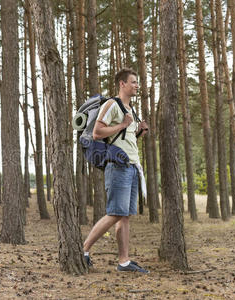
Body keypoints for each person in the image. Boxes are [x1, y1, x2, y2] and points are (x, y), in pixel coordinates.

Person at [83, 68, 149, 273]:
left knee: (125, 215)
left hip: (131, 166)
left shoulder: (131, 110)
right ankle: (83, 250)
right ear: (122, 84)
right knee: (114, 213)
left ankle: (124, 261)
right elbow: (97, 133)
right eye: (133, 82)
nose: (137, 85)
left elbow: (124, 138)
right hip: (117, 166)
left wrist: (138, 131)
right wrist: (122, 124)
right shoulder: (112, 105)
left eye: (137, 82)